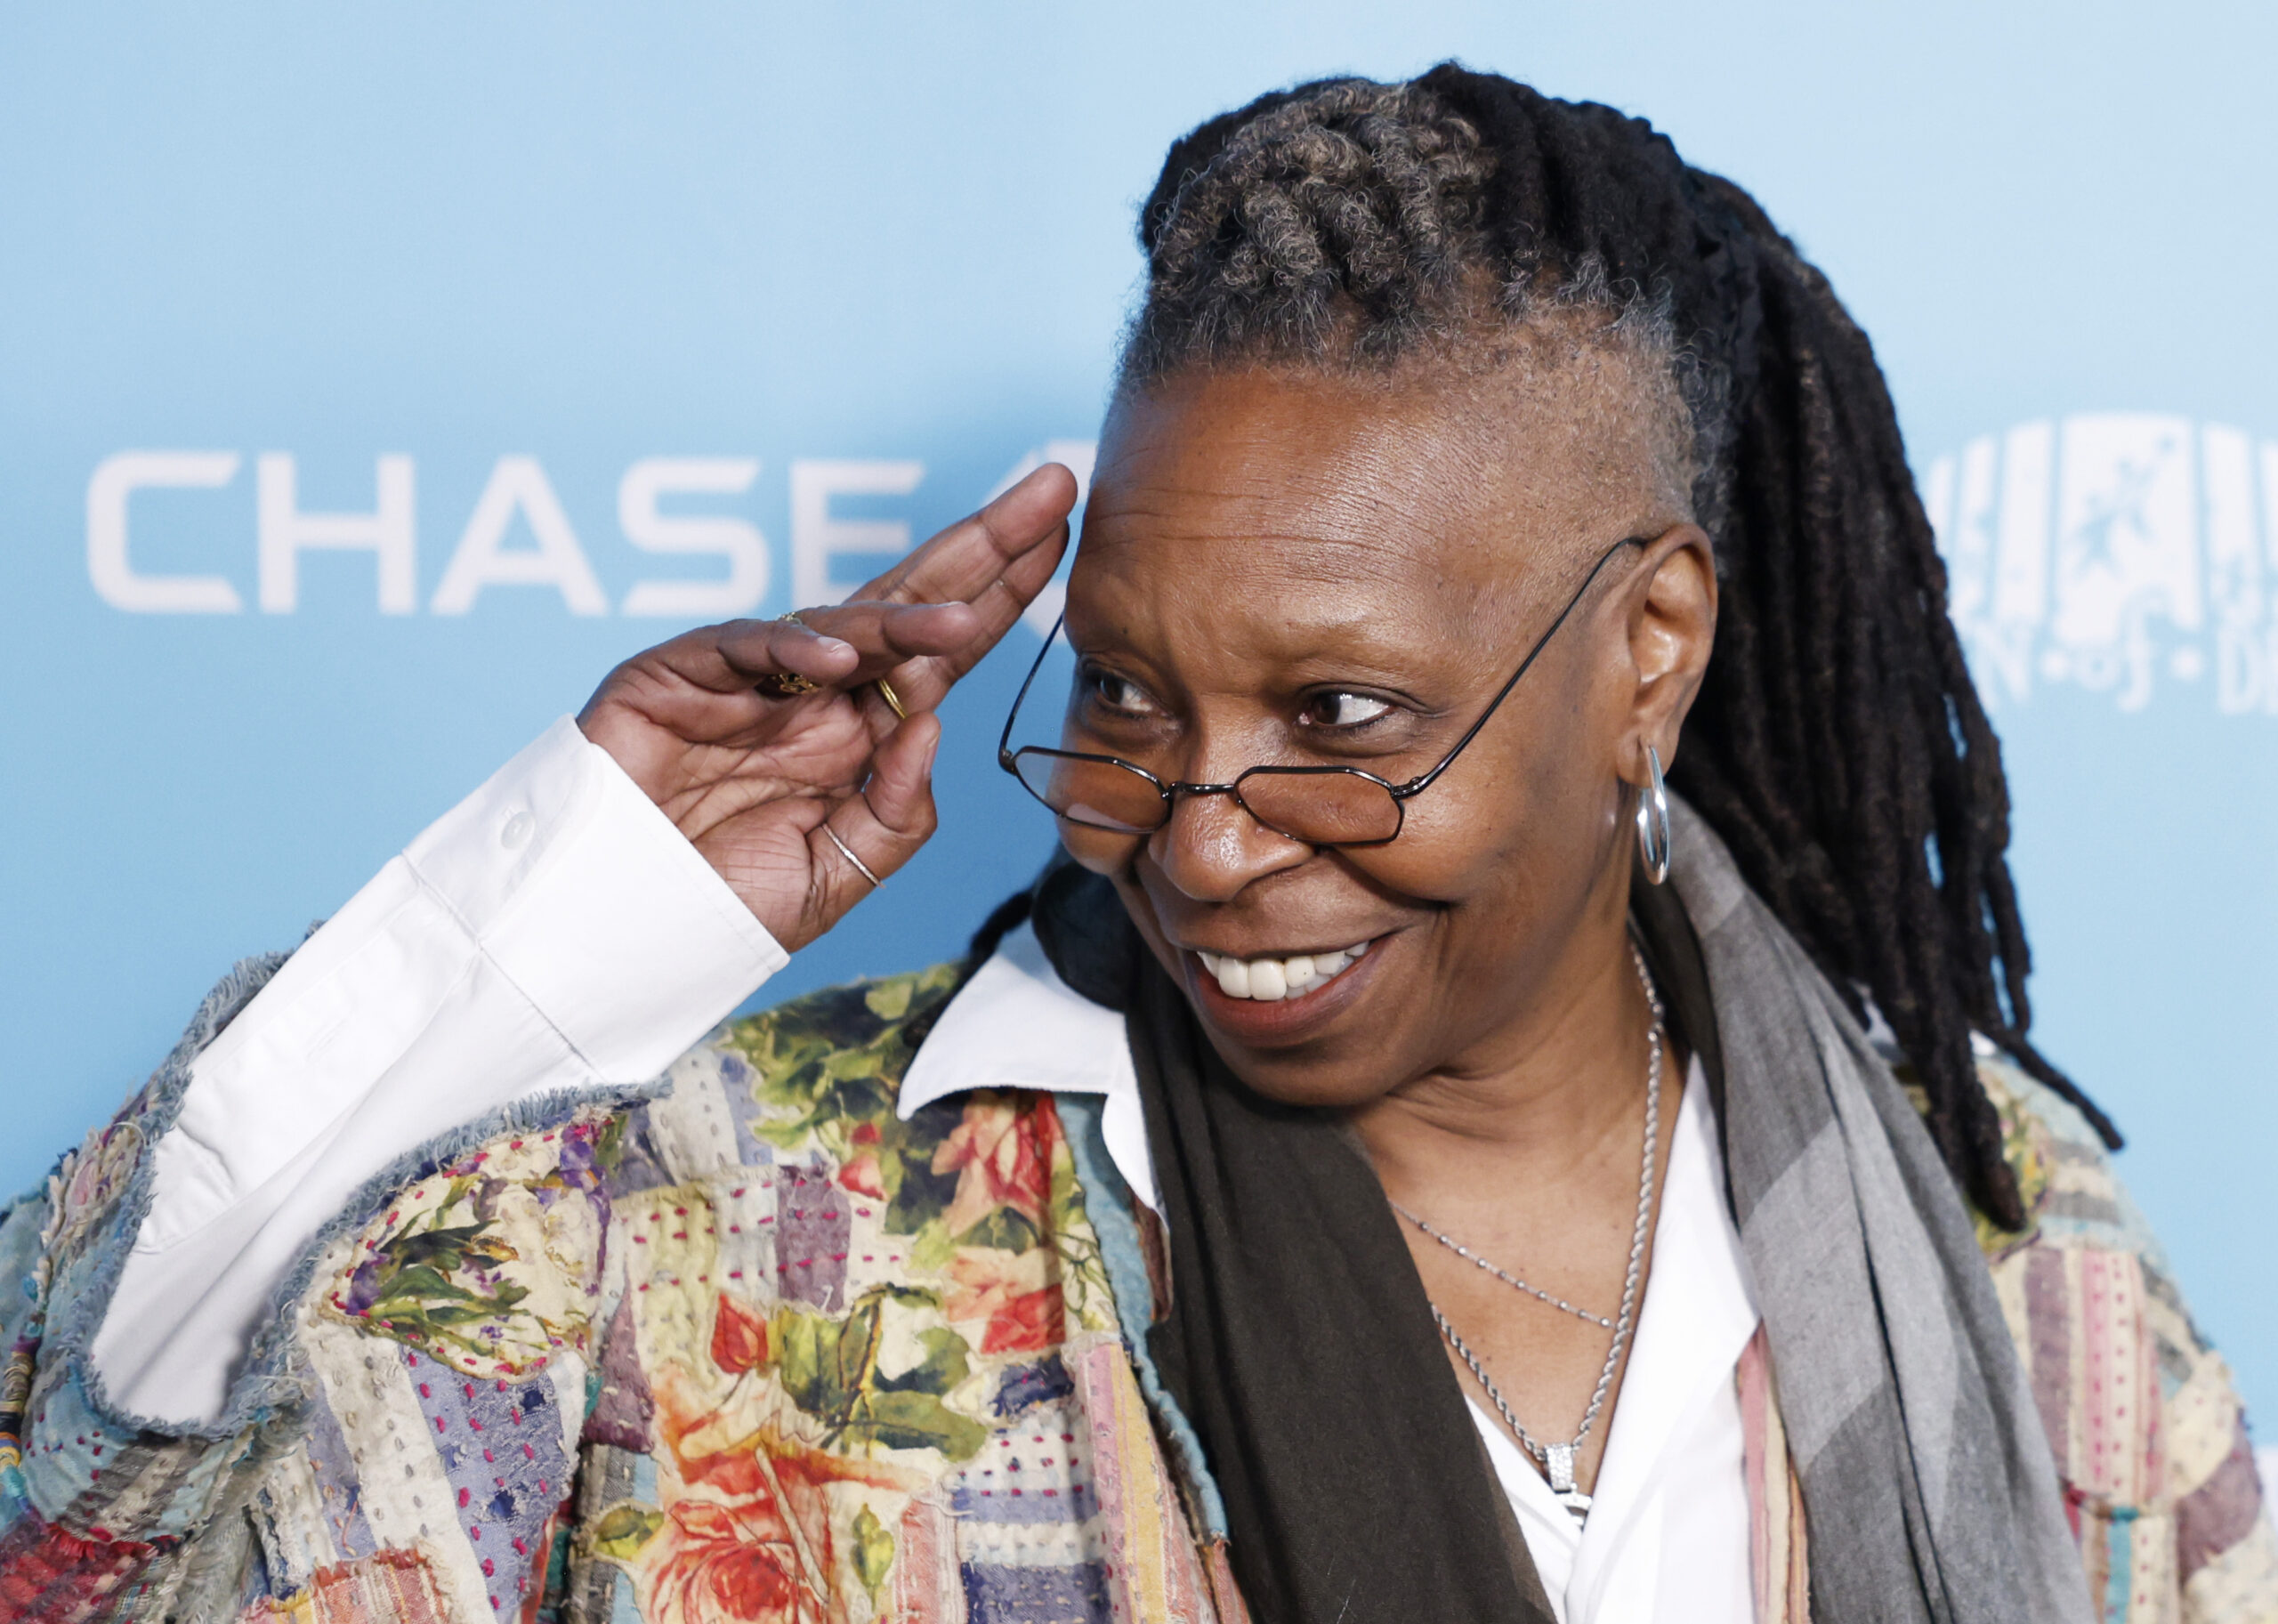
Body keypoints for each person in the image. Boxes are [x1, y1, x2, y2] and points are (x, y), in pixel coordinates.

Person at [1, 66, 2269, 1624]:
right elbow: (66, 1539)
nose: (1192, 841)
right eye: (1118, 693)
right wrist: (561, 921)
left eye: (1336, 718)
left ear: (1646, 649)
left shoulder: (2005, 1247)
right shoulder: (710, 1238)